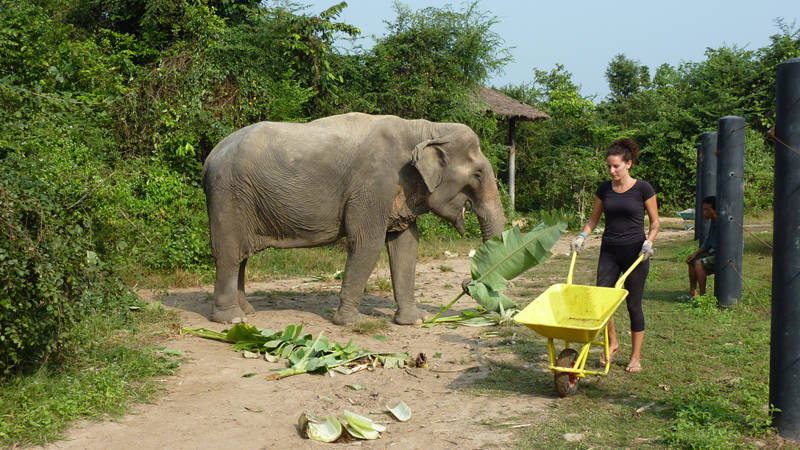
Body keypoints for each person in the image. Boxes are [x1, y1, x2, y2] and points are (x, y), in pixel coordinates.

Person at [571, 138, 660, 373]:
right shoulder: (604, 189)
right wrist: (582, 236)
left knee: (633, 304)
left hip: (635, 253)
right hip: (609, 250)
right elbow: (593, 220)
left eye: (616, 166)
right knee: (603, 301)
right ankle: (613, 343)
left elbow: (655, 223)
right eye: (609, 167)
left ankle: (635, 357)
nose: (611, 171)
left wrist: (648, 243)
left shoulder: (643, 189)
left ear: (628, 164)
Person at [685, 196, 717, 298]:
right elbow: (708, 241)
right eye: (703, 209)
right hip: (711, 252)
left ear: (714, 210)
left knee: (699, 264)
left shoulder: (723, 223)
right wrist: (695, 254)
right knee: (691, 261)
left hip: (721, 255)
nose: (704, 213)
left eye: (707, 210)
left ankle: (703, 297)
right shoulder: (713, 221)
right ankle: (692, 293)